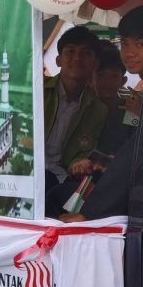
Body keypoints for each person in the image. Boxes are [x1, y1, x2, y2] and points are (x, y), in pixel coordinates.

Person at [58, 5, 143, 221]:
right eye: (125, 44)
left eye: (140, 44)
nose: (129, 53)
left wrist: (89, 213)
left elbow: (139, 151)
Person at [43, 26, 108, 212]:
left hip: (62, 177)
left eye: (85, 53)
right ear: (58, 59)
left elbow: (85, 149)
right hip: (28, 173)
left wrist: (78, 162)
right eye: (70, 51)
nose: (77, 58)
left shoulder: (98, 109)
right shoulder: (37, 92)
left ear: (95, 63)